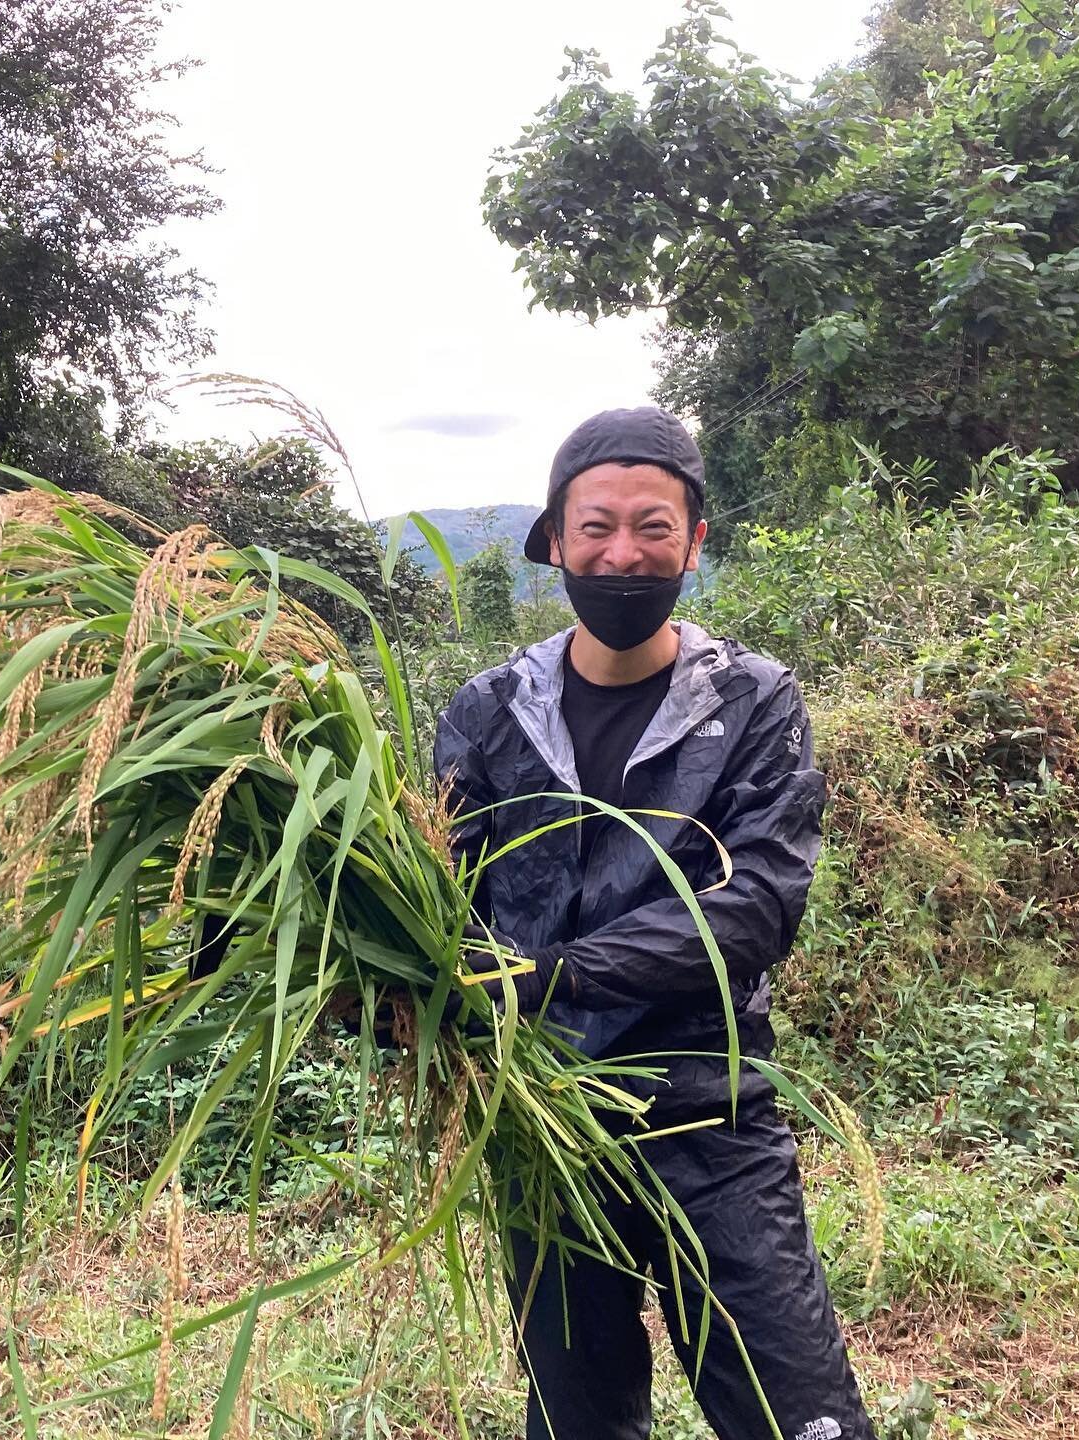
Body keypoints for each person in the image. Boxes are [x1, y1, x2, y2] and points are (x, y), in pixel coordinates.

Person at [433, 406, 876, 1440]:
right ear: (551, 543)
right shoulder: (489, 711)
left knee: (797, 1419)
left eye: (652, 528)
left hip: (708, 1115)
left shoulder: (752, 704)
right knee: (579, 1420)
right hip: (546, 1131)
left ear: (694, 544)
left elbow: (754, 912)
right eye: (595, 528)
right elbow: (447, 905)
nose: (622, 554)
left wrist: (549, 977)